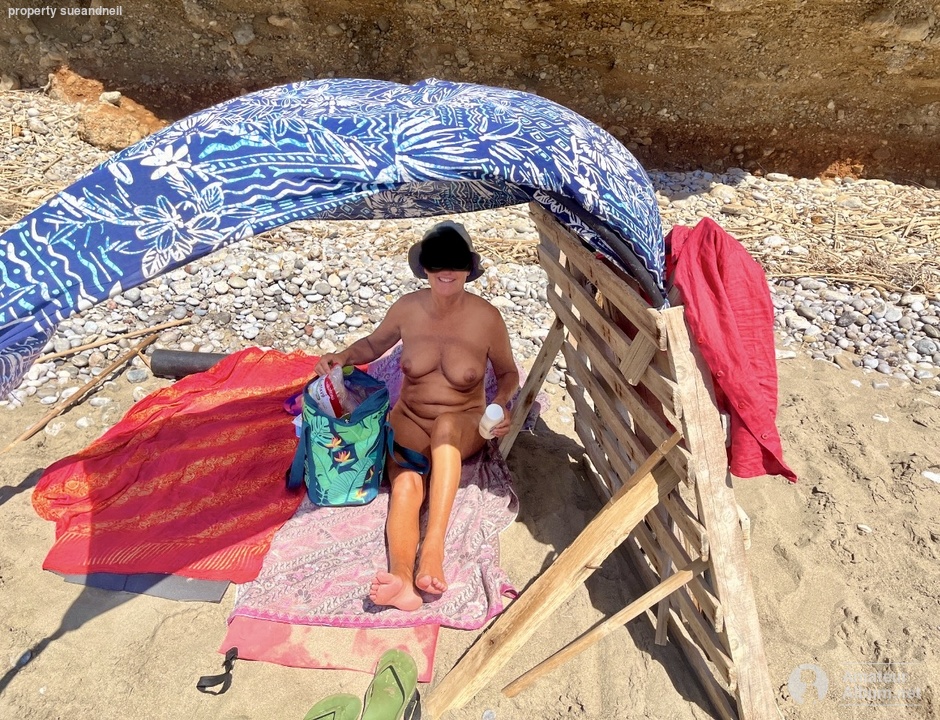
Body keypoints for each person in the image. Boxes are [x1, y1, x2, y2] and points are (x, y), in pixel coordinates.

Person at [314, 220, 519, 611]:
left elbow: (508, 373)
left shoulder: (486, 318)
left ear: (469, 268)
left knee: (445, 428)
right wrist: (343, 356)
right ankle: (402, 580)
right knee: (406, 485)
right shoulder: (407, 309)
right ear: (424, 267)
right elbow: (373, 344)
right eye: (437, 262)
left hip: (464, 421)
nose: (446, 271)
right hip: (409, 417)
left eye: (455, 262)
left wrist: (502, 403)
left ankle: (433, 550)